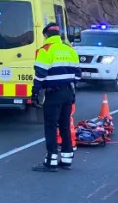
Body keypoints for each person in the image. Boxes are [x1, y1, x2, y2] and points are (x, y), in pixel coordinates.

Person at [32, 22, 81, 172]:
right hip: (68, 93)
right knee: (65, 126)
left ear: (46, 35)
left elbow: (40, 75)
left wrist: (35, 93)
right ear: (59, 35)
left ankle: (51, 161)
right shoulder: (69, 50)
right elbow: (78, 75)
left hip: (53, 94)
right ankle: (66, 160)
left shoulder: (45, 51)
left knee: (51, 127)